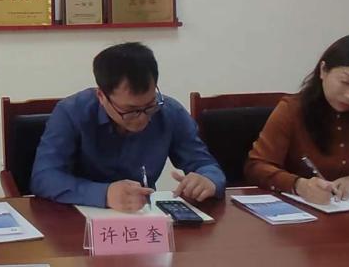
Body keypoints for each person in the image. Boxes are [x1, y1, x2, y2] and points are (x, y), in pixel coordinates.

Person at [31, 42, 225, 211]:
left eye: (149, 105)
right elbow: (44, 177)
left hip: (143, 216)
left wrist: (208, 180)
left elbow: (205, 164)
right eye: (130, 110)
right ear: (102, 96)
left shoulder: (169, 112)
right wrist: (105, 194)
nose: (142, 118)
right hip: (77, 217)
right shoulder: (71, 112)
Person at [246, 33, 349, 203]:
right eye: (345, 82)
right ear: (323, 70)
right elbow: (256, 167)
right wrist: (298, 185)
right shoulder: (292, 109)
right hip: (300, 211)